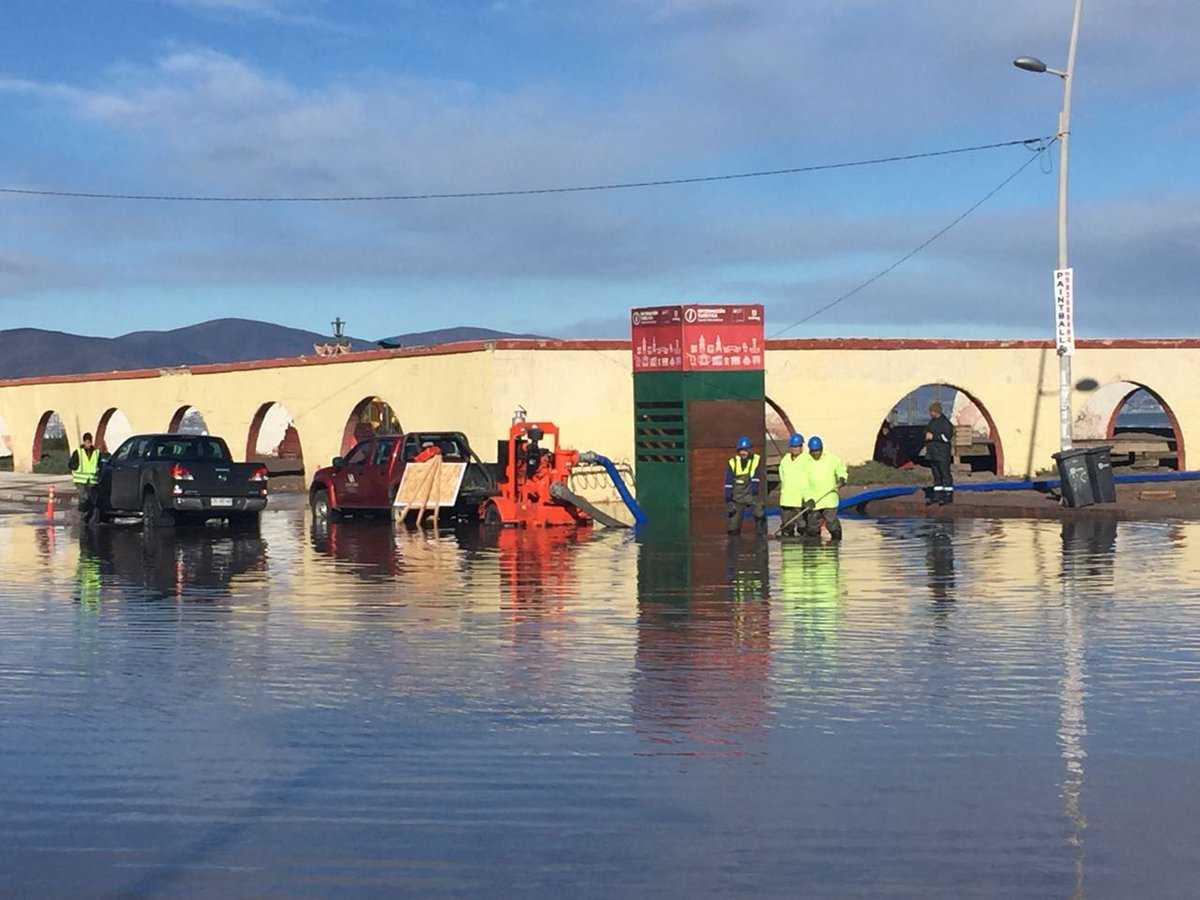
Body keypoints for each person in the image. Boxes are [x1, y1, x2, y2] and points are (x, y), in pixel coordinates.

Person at [802, 436, 846, 541]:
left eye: (818, 451)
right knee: (812, 527)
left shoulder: (832, 459)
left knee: (831, 524)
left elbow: (841, 470)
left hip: (829, 498)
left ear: (822, 449)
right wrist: (807, 499)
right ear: (810, 450)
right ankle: (814, 547)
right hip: (814, 500)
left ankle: (836, 543)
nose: (816, 453)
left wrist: (842, 479)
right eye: (814, 451)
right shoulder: (804, 462)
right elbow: (802, 483)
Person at [725, 436, 765, 534]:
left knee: (759, 510)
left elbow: (756, 477)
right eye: (741, 450)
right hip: (737, 496)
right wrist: (728, 498)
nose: (743, 453)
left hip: (751, 493)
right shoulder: (732, 462)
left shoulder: (756, 459)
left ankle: (761, 531)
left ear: (749, 450)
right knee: (733, 529)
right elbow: (728, 482)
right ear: (738, 451)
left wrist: (754, 491)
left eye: (746, 450)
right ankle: (734, 537)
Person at [776, 432, 809, 537]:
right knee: (786, 528)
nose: (796, 449)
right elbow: (782, 476)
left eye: (798, 446)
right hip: (786, 500)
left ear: (802, 447)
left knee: (803, 527)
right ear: (790, 447)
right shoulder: (785, 460)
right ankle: (788, 551)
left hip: (800, 500)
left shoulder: (807, 460)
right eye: (793, 447)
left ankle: (804, 549)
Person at [923, 402, 955, 505]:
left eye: (931, 411)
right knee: (936, 475)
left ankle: (948, 495)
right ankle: (937, 496)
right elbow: (927, 431)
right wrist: (926, 434)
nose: (930, 413)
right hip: (933, 453)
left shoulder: (945, 423)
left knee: (945, 474)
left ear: (936, 411)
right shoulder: (932, 422)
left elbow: (946, 437)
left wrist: (934, 437)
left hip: (942, 453)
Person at [68, 432, 103, 525]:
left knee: (92, 500)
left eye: (90, 442)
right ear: (84, 442)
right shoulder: (78, 452)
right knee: (84, 497)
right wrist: (76, 466)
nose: (88, 444)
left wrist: (99, 470)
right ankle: (82, 514)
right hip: (80, 480)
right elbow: (71, 464)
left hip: (92, 480)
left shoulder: (96, 452)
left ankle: (87, 518)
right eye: (87, 442)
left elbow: (100, 464)